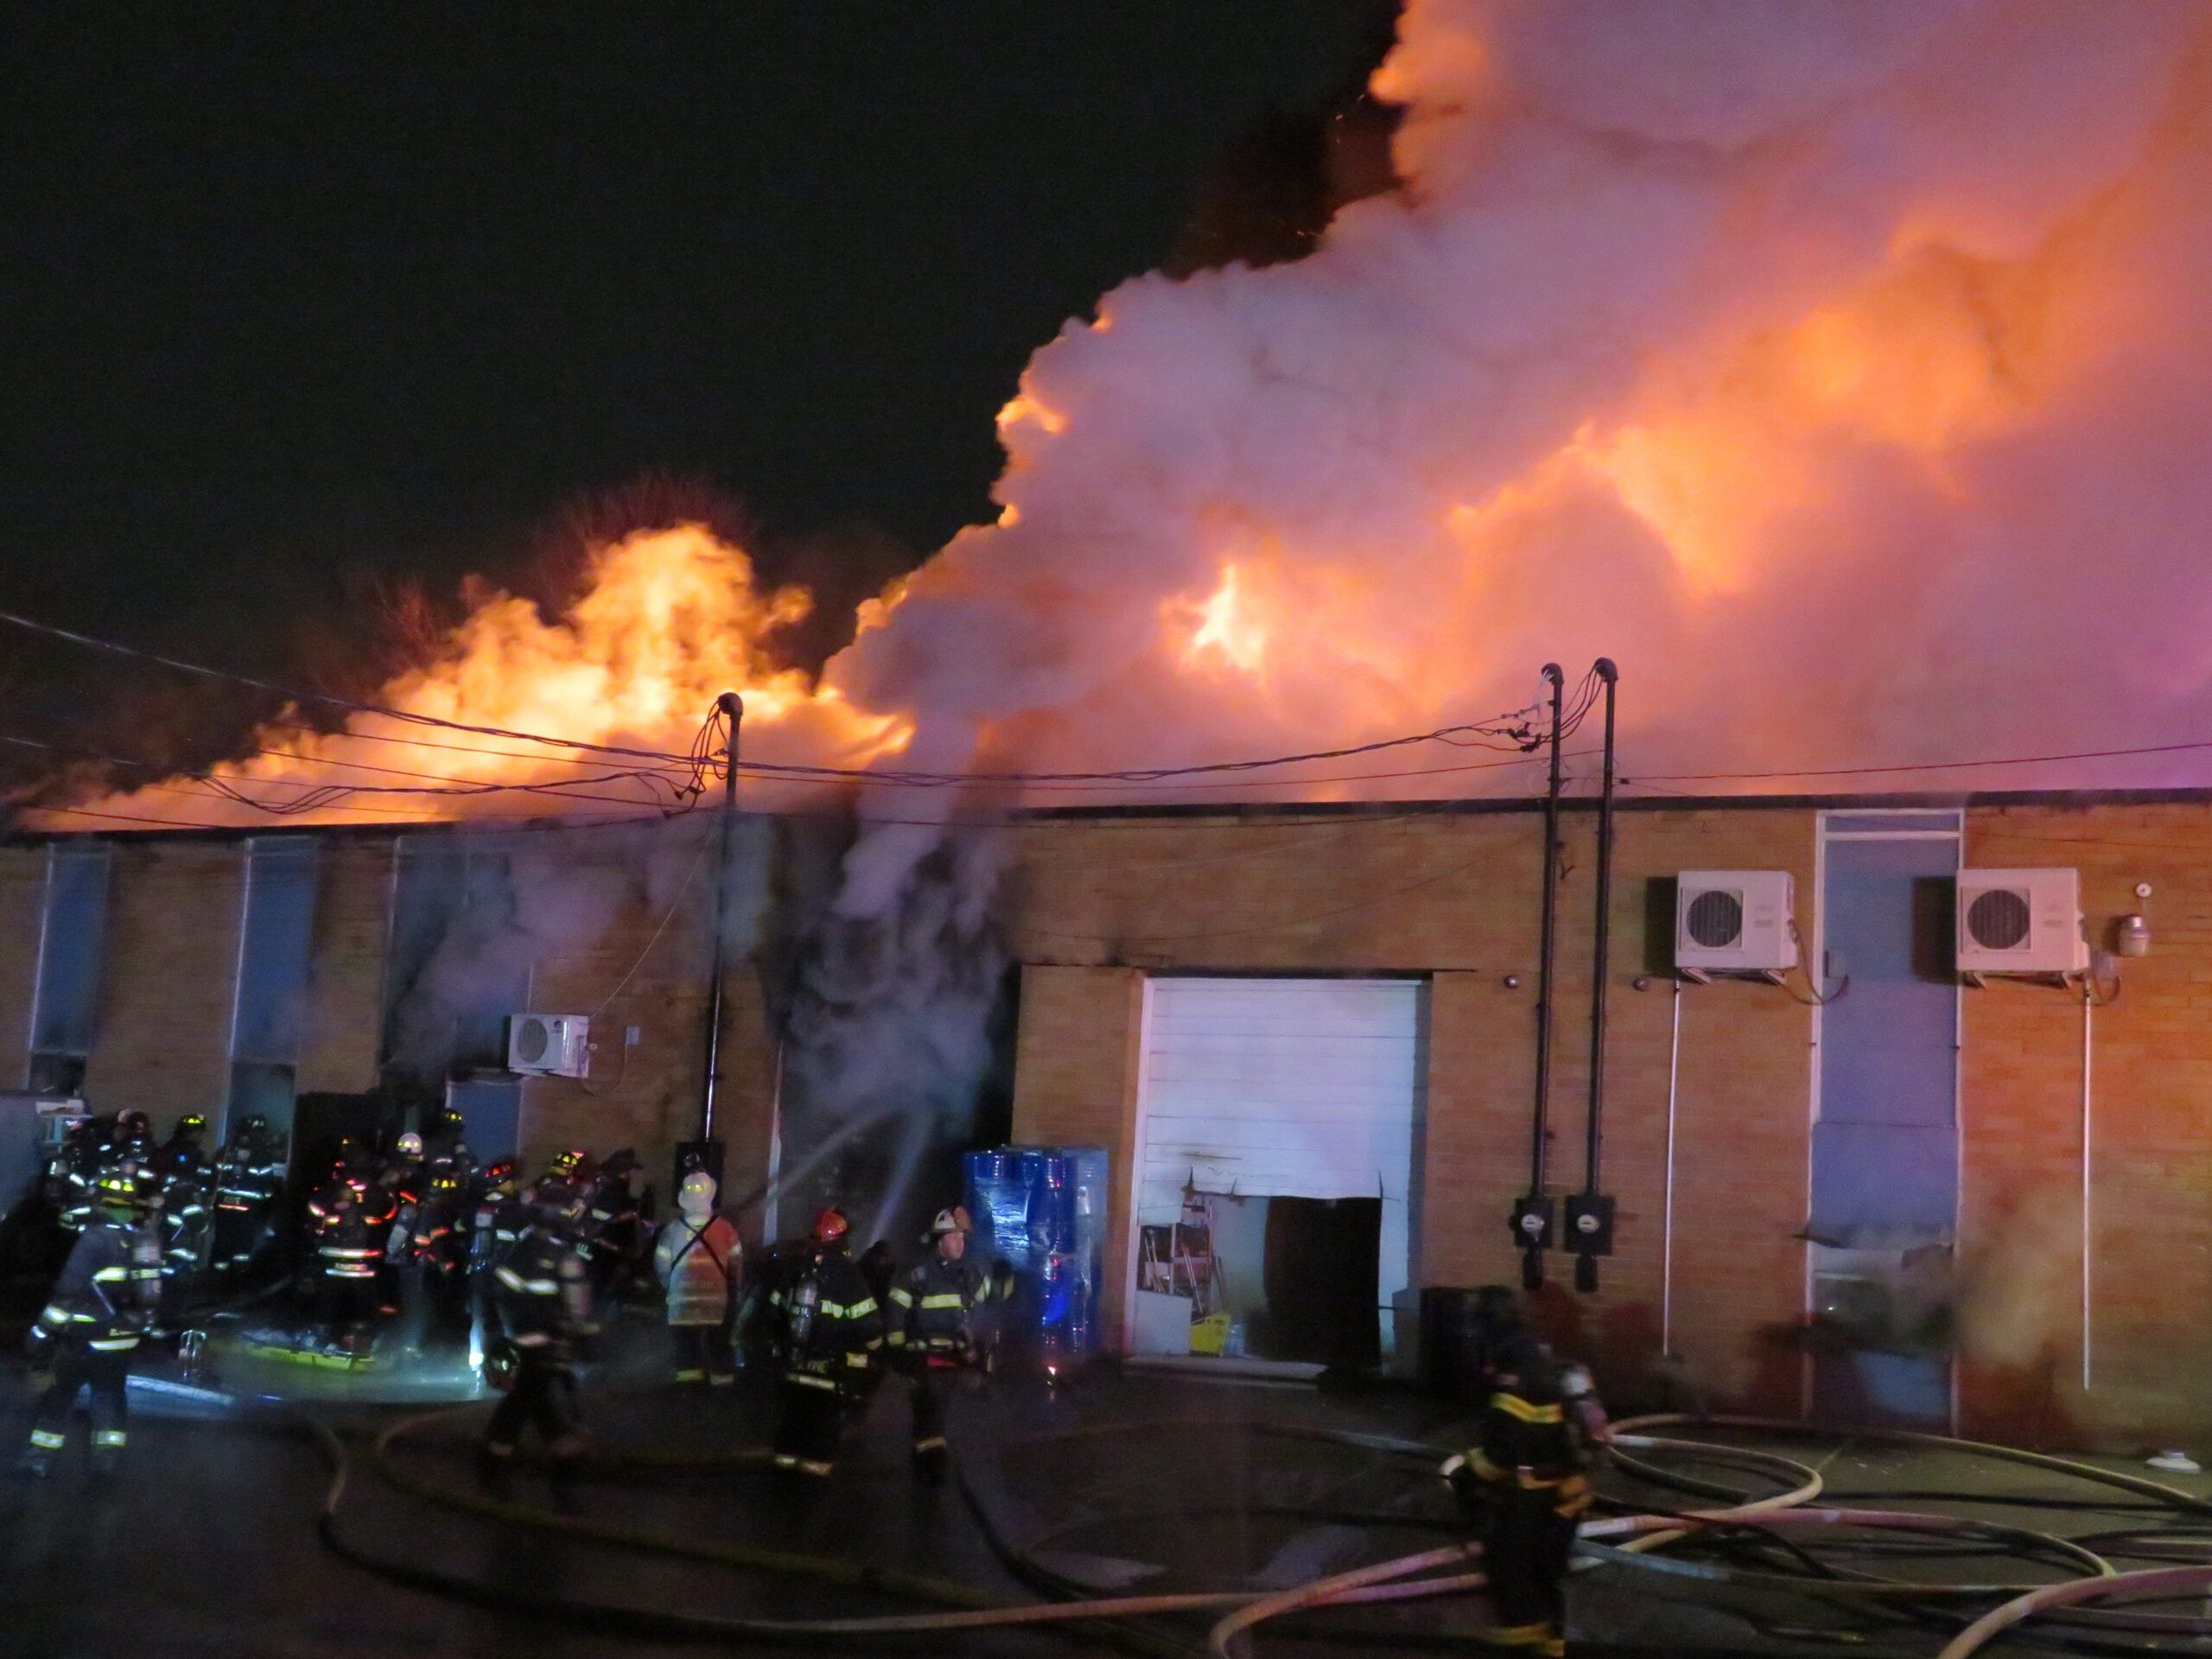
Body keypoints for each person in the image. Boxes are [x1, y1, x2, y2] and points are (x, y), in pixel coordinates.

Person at [1440, 1293, 1607, 1658]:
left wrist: (1466, 1477)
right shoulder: (1566, 1368)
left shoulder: (1513, 1376)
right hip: (1569, 1501)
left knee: (1515, 1588)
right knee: (1549, 1584)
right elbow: (1595, 1437)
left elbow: (1501, 1455)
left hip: (1528, 1506)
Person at [18, 1162, 165, 1478]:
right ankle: (105, 1462)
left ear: (99, 1201)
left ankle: (37, 1461)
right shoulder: (140, 1239)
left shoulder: (95, 1240)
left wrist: (41, 1333)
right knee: (110, 1398)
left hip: (85, 1337)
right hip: (124, 1338)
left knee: (59, 1397)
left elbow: (67, 1292)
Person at [887, 1206, 1014, 1478]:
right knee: (930, 1414)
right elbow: (895, 1313)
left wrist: (1006, 1277)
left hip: (952, 1360)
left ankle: (923, 1470)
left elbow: (993, 1295)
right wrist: (899, 1352)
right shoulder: (916, 1273)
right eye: (955, 1237)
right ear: (939, 1240)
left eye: (963, 1237)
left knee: (937, 1415)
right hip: (922, 1359)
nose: (961, 1242)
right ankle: (931, 1472)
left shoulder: (966, 1274)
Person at [482, 1182, 594, 1476]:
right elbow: (574, 1306)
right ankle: (564, 1452)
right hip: (545, 1340)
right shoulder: (562, 1257)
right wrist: (579, 1332)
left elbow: (497, 1297)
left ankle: (496, 1450)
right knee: (536, 1395)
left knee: (525, 1395)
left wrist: (495, 1341)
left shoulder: (518, 1251)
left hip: (519, 1337)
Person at [771, 1208, 883, 1479]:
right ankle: (810, 1488)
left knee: (794, 1415)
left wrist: (780, 1345)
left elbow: (775, 1309)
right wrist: (874, 1349)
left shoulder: (797, 1268)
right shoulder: (848, 1274)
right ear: (843, 1241)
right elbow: (868, 1323)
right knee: (823, 1421)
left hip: (796, 1363)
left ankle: (782, 1469)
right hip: (830, 1368)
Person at [652, 1169, 741, 1387]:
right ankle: (722, 1389)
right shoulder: (726, 1229)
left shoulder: (672, 1230)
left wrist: (672, 1288)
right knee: (719, 1345)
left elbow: (661, 1266)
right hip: (716, 1302)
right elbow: (736, 1266)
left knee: (687, 1346)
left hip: (682, 1302)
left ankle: (689, 1391)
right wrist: (734, 1291)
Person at [306, 1151, 398, 1354]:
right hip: (364, 1263)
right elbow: (391, 1213)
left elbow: (314, 1209)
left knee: (330, 1300)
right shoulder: (378, 1193)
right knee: (361, 1304)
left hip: (335, 1260)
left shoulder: (331, 1190)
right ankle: (358, 1340)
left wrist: (335, 1213)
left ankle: (323, 1337)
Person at [211, 1114, 287, 1280]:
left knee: (223, 1237)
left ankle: (218, 1275)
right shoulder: (262, 1155)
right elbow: (267, 1183)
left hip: (223, 1204)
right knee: (243, 1240)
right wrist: (271, 1199)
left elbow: (214, 1175)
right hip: (248, 1206)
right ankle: (238, 1275)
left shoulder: (226, 1151)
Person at [467, 1157, 524, 1368]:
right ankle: (512, 1361)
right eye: (511, 1181)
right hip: (504, 1273)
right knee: (508, 1317)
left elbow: (462, 1229)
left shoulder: (476, 1207)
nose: (513, 1185)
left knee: (480, 1316)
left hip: (478, 1271)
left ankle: (477, 1361)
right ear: (503, 1182)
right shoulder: (513, 1208)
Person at [153, 1114, 213, 1282]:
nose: (200, 1136)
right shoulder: (186, 1155)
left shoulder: (168, 1151)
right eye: (197, 1132)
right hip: (180, 1213)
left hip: (172, 1210)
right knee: (178, 1248)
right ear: (189, 1133)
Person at [586, 1149, 646, 1300]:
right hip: (610, 1253)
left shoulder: (607, 1189)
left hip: (606, 1250)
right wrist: (625, 1216)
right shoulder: (615, 1191)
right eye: (631, 1170)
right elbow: (605, 1217)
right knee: (606, 1295)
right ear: (626, 1171)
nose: (633, 1174)